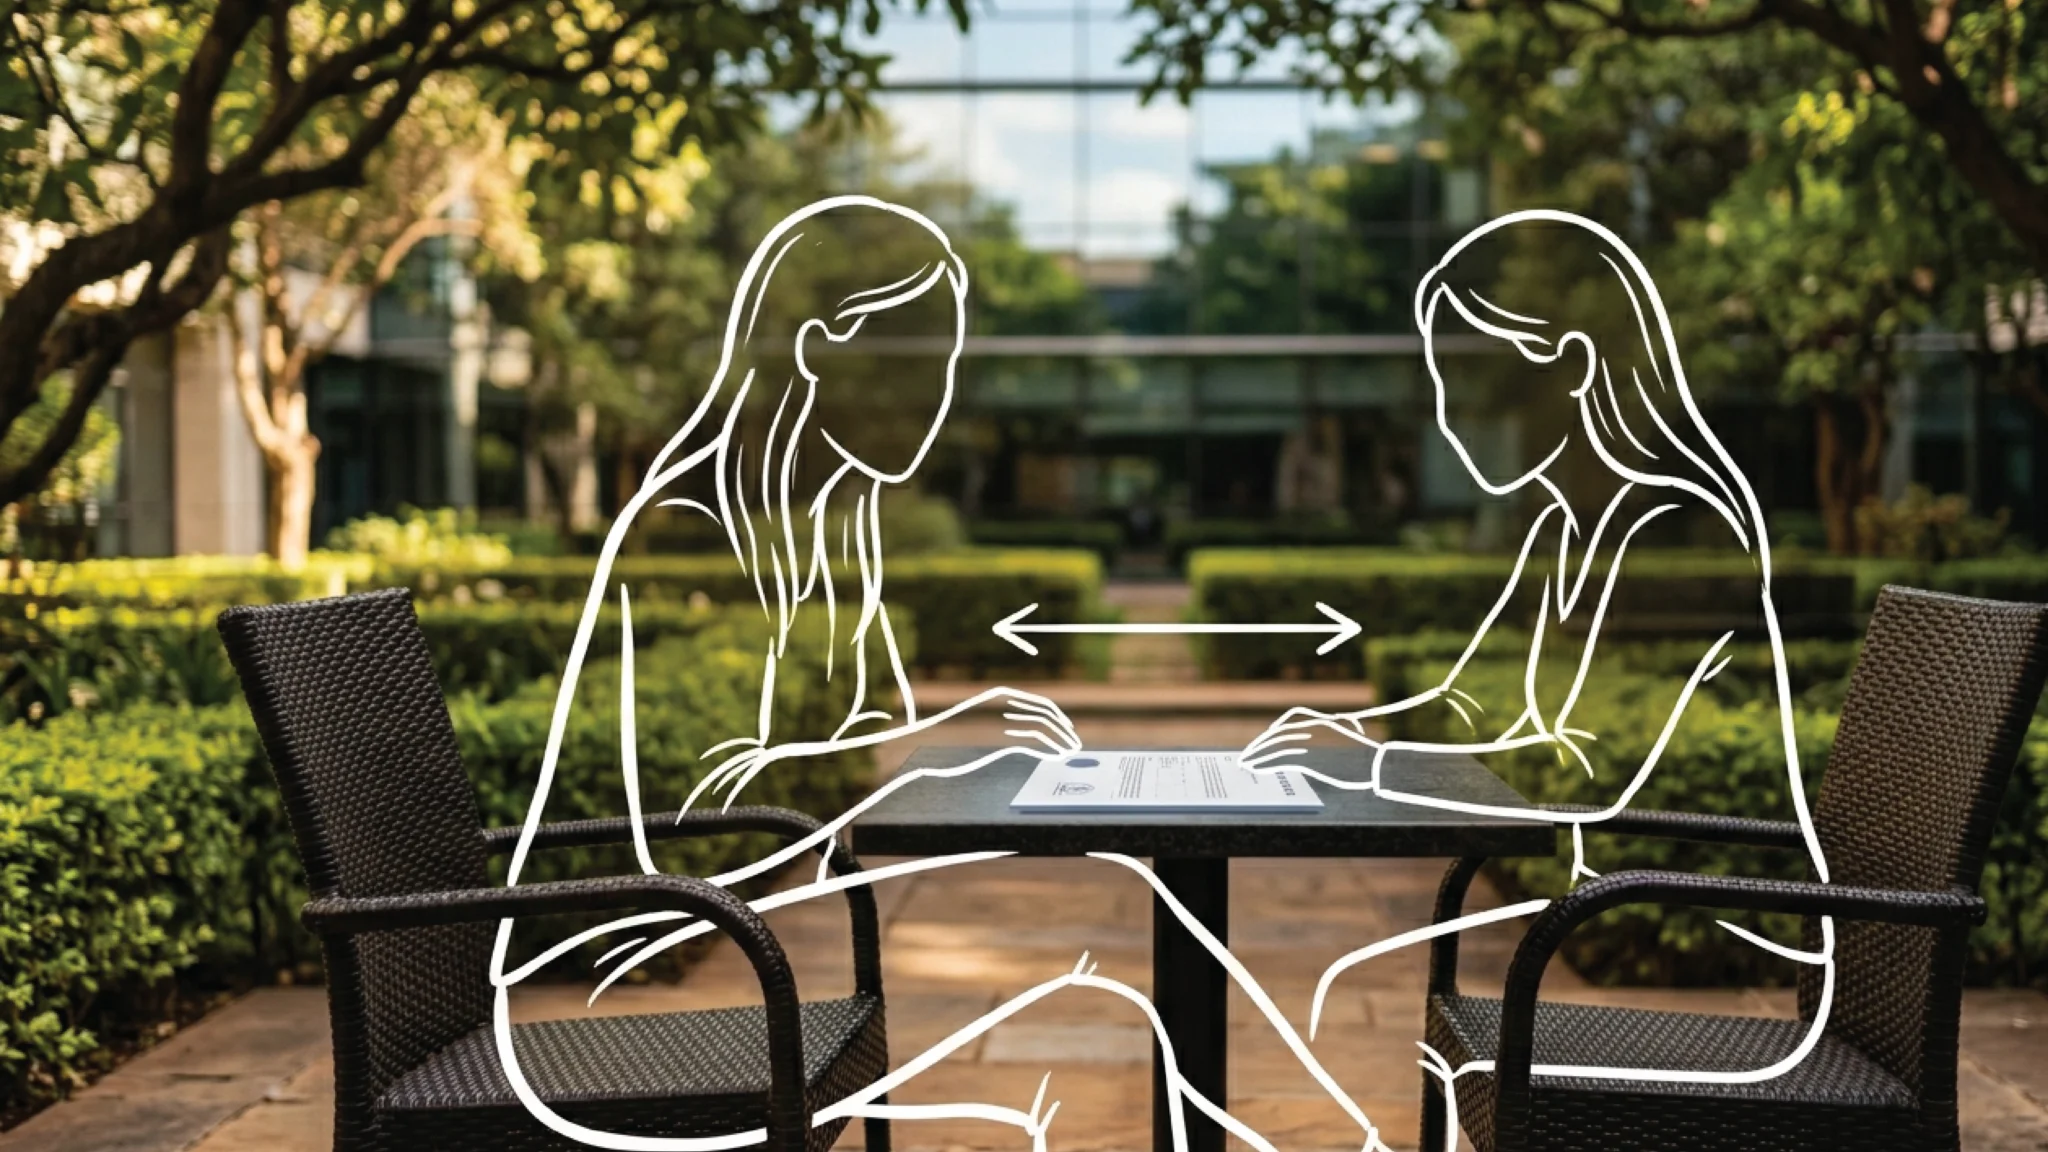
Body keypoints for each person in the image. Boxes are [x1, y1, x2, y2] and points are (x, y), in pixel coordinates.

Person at [1238, 210, 1837, 1137]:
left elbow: (1587, 775)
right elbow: (1466, 697)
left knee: (1318, 995)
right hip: (1614, 904)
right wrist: (1341, 745)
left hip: (1710, 938)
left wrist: (1369, 771)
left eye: (1467, 381)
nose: (1446, 414)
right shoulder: (1566, 521)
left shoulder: (1673, 522)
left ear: (1573, 366)